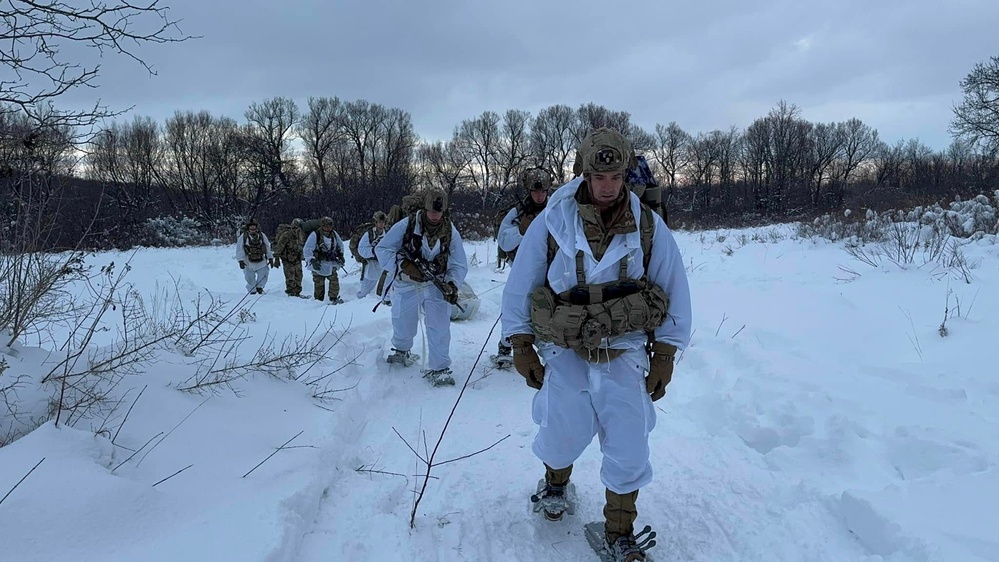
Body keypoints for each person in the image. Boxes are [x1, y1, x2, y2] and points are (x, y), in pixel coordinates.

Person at [500, 127, 691, 561]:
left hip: (622, 348)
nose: (607, 186)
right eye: (599, 177)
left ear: (625, 175)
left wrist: (665, 352)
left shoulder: (648, 225)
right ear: (585, 175)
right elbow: (521, 284)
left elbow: (672, 285)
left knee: (629, 440)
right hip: (565, 345)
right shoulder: (553, 220)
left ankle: (619, 531)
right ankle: (554, 483)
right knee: (561, 426)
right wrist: (522, 344)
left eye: (616, 177)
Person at [375, 189, 468, 387]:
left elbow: (459, 263)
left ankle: (440, 367)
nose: (435, 216)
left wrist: (452, 284)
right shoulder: (407, 224)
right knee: (402, 320)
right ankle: (402, 350)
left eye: (439, 212)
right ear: (425, 209)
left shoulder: (449, 230)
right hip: (406, 283)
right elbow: (383, 249)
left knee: (439, 326)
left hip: (435, 284)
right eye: (431, 212)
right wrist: (404, 266)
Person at [491, 168, 552, 367]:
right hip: (524, 269)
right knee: (516, 306)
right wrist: (522, 230)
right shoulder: (517, 212)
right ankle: (506, 344)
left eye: (543, 191)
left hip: (553, 267)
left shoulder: (557, 207)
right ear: (529, 191)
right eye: (536, 192)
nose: (540, 195)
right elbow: (504, 240)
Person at [303, 216, 345, 304]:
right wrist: (312, 260)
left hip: (330, 262)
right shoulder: (315, 234)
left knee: (334, 281)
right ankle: (318, 301)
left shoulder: (334, 234)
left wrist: (341, 255)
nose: (328, 227)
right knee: (319, 283)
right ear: (322, 225)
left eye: (330, 225)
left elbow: (340, 245)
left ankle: (333, 298)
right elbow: (307, 249)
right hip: (318, 262)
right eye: (326, 225)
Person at [355, 211, 389, 300]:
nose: (381, 224)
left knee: (387, 284)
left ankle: (386, 300)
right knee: (367, 287)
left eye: (383, 222)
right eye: (380, 222)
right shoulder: (369, 234)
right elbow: (361, 249)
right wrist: (373, 251)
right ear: (375, 222)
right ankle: (360, 302)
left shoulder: (388, 233)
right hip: (372, 264)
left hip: (385, 263)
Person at [235, 218, 274, 294]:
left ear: (256, 227)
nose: (252, 228)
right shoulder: (243, 236)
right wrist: (240, 260)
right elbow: (239, 248)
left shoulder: (262, 235)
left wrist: (270, 258)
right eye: (251, 226)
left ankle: (259, 287)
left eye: (254, 226)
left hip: (261, 260)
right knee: (249, 278)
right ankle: (252, 290)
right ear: (248, 227)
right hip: (248, 261)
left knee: (264, 274)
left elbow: (267, 246)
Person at [272, 217, 307, 297]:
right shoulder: (286, 235)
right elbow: (279, 247)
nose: (297, 230)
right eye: (295, 228)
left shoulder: (301, 235)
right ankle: (291, 293)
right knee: (290, 276)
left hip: (297, 258)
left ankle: (297, 292)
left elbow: (302, 246)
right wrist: (276, 259)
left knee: (299, 275)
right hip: (287, 258)